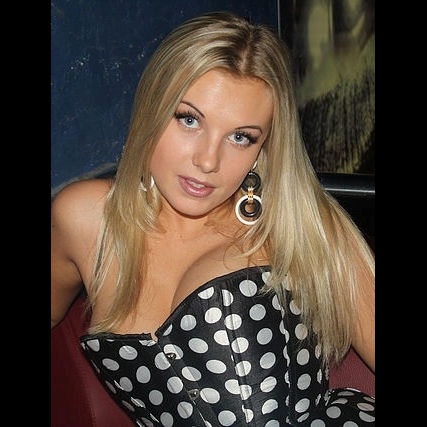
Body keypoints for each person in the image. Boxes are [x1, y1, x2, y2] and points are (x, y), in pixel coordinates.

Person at [51, 11, 375, 426]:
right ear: (152, 110)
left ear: (263, 148)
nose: (208, 161)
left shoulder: (300, 228)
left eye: (241, 137)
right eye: (189, 120)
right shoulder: (83, 217)